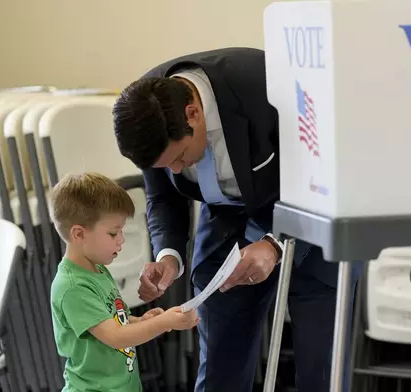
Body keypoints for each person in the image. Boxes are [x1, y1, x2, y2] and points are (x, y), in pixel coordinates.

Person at [112, 47, 360, 392]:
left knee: (322, 371)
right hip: (225, 223)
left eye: (181, 156)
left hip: (311, 218)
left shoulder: (272, 87)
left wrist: (274, 243)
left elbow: (329, 177)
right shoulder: (143, 112)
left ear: (193, 112)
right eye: (167, 165)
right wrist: (168, 255)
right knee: (218, 370)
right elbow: (161, 197)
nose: (178, 170)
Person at [49, 172, 200, 392]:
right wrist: (164, 323)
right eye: (113, 233)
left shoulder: (97, 269)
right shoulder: (73, 287)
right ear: (79, 234)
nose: (121, 240)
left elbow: (112, 320)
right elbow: (116, 337)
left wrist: (141, 321)